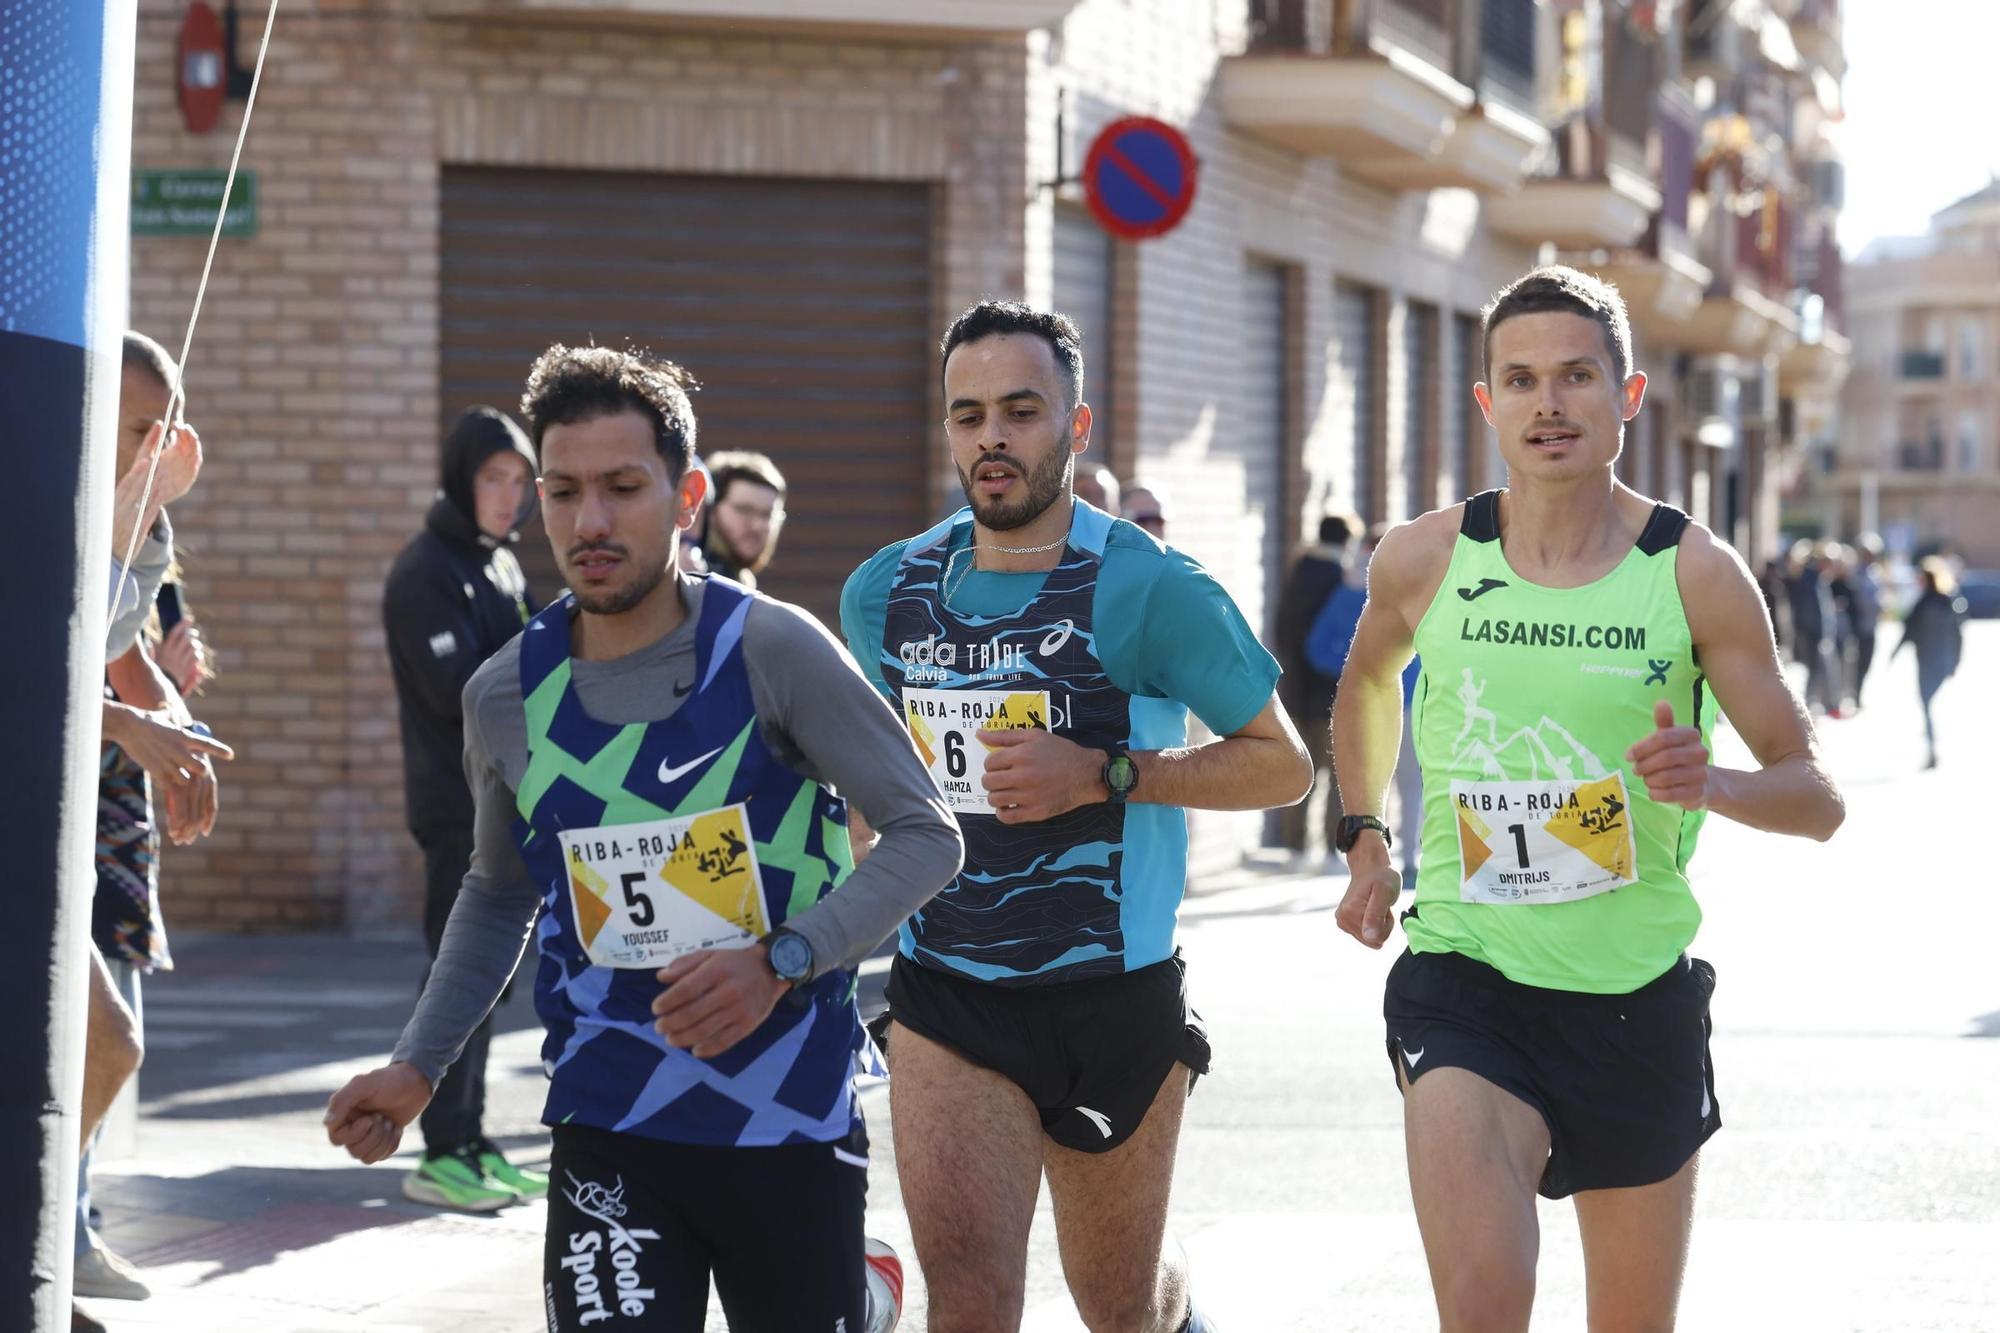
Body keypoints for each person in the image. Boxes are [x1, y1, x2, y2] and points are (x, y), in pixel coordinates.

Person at [328, 343, 961, 1332]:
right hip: (607, 1121)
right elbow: (498, 891)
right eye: (562, 490)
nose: (589, 522)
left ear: (686, 494)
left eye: (623, 487)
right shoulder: (504, 694)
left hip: (783, 1115)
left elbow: (929, 834)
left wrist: (781, 958)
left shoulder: (770, 651)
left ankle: (858, 1288)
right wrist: (419, 1064)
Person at [1332, 266, 1845, 1333]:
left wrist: (1716, 782)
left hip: (1632, 1000)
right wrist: (1365, 833)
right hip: (1463, 976)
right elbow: (1367, 680)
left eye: (1574, 376)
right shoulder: (1425, 558)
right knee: (1482, 1305)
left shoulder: (1690, 572)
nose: (1546, 403)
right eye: (1518, 380)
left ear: (1626, 395)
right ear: (1485, 403)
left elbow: (1815, 796)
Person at [841, 300, 1313, 1332]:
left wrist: (1106, 775)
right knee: (970, 1301)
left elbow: (1282, 766)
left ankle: (1169, 1296)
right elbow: (877, 775)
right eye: (967, 416)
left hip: (1113, 994)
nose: (991, 439)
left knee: (1117, 1305)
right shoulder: (886, 591)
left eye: (1020, 411)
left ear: (1075, 425)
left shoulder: (1147, 585)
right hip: (947, 992)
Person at [75, 335, 236, 1324]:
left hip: (72, 826)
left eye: (160, 430)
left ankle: (47, 1231)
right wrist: (127, 721)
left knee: (110, 1041)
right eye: (133, 427)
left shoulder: (136, 529)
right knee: (102, 1037)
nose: (149, 449)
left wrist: (175, 732)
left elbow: (126, 647)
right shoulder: (37, 491)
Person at [381, 405, 546, 1211]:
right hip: (455, 806)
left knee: (493, 981)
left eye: (520, 482)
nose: (509, 496)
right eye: (494, 478)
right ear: (460, 476)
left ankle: (473, 1139)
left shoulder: (501, 564)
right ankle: (440, 1147)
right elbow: (461, 692)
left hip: (505, 799)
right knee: (458, 970)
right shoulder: (425, 572)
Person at [1271, 511, 1357, 863]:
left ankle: (1294, 845)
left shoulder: (1297, 573)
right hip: (1330, 691)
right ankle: (1333, 847)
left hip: (1293, 690)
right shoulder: (1340, 579)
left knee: (1300, 771)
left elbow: (1281, 630)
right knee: (1339, 774)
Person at [1893, 556, 1967, 769]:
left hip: (1931, 661)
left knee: (1927, 704)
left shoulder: (1937, 601)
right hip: (1936, 660)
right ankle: (1931, 744)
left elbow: (1956, 634)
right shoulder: (1946, 600)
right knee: (1928, 704)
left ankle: (1932, 745)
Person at [697, 450, 786, 589]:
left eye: (767, 514)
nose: (757, 526)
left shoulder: (741, 580)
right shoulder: (690, 578)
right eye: (744, 510)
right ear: (710, 509)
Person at [1847, 535, 1885, 708]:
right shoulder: (1855, 574)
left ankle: (1858, 692)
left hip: (1871, 626)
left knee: (1867, 661)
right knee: (1857, 662)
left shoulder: (1875, 572)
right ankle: (1854, 694)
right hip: (1858, 626)